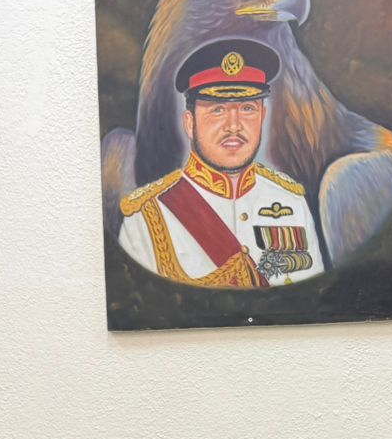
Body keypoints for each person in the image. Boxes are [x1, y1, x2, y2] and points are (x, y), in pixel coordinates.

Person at [119, 39, 325, 289]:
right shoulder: (147, 218)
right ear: (190, 123)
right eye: (217, 110)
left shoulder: (292, 202)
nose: (234, 126)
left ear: (262, 116)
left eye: (247, 108)